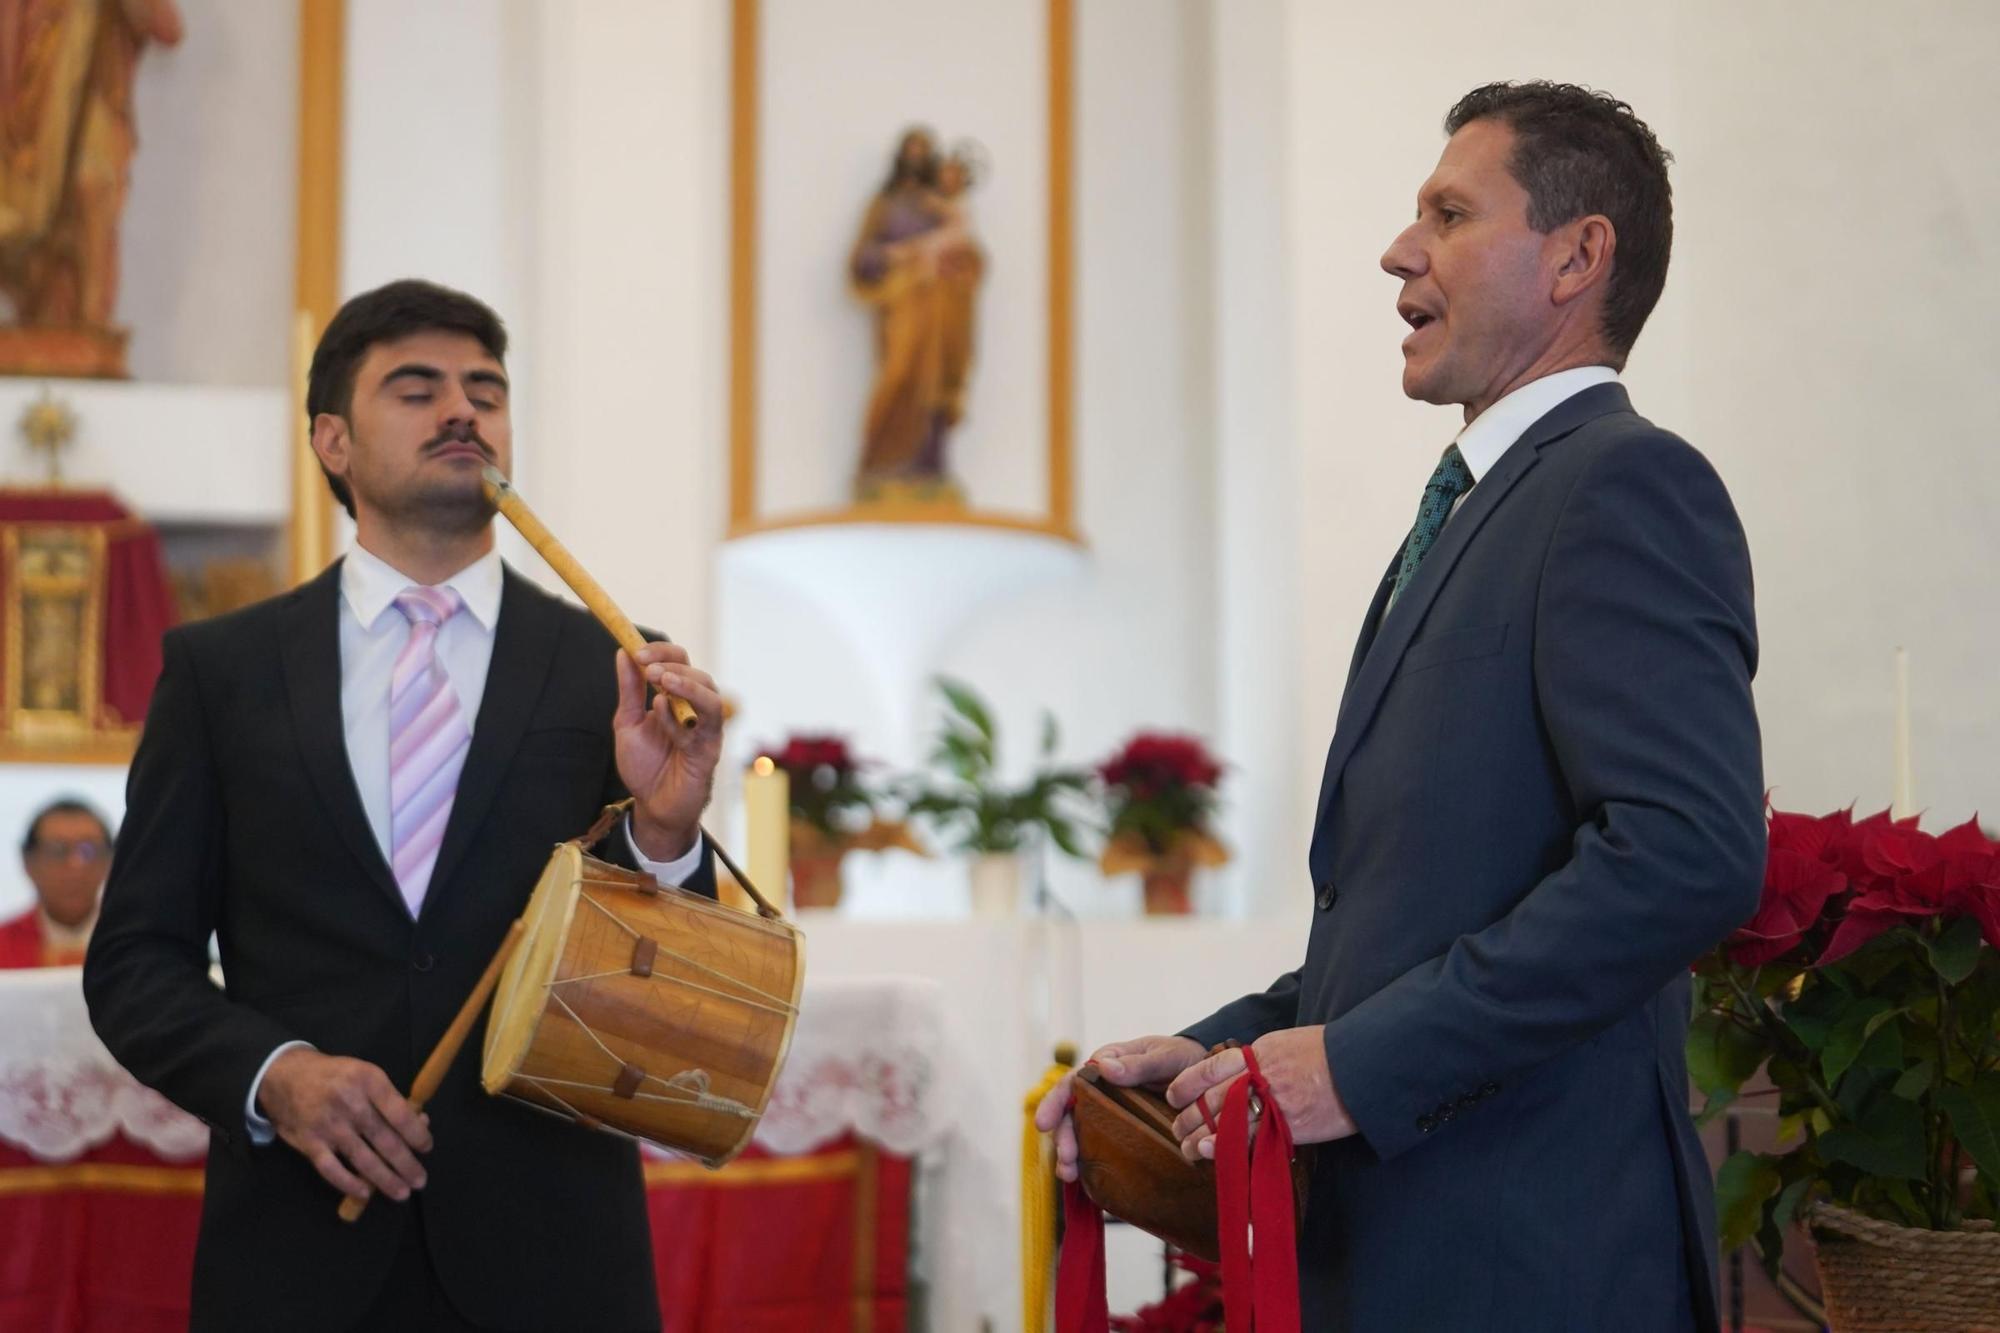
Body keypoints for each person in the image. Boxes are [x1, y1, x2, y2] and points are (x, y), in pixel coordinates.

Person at [1038, 81, 1764, 1332]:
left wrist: (1357, 1069)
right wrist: (1216, 1056)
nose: (1398, 250)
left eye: (1446, 211)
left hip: (1531, 1263)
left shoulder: (1622, 484)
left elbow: (1685, 853)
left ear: (1575, 257)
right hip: (1407, 1254)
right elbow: (1409, 920)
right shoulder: (1478, 508)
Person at [84, 278, 727, 1333]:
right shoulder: (221, 671)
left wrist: (666, 832)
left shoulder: (607, 672)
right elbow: (134, 962)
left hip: (555, 1262)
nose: (462, 411)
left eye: (485, 388)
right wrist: (275, 1075)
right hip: (300, 1259)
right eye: (415, 388)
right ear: (332, 440)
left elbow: (663, 1016)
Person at [849, 126, 984, 502]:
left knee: (935, 387)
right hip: (903, 310)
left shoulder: (938, 207)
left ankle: (929, 469)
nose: (915, 161)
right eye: (910, 152)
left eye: (922, 154)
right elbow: (863, 257)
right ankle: (882, 467)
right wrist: (893, 258)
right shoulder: (885, 207)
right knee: (899, 377)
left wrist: (953, 267)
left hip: (939, 313)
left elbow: (968, 258)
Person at [0, 797, 115, 968]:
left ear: (110, 860)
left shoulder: (131, 941)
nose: (75, 865)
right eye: (57, 851)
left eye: (88, 851)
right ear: (28, 861)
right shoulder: (4, 944)